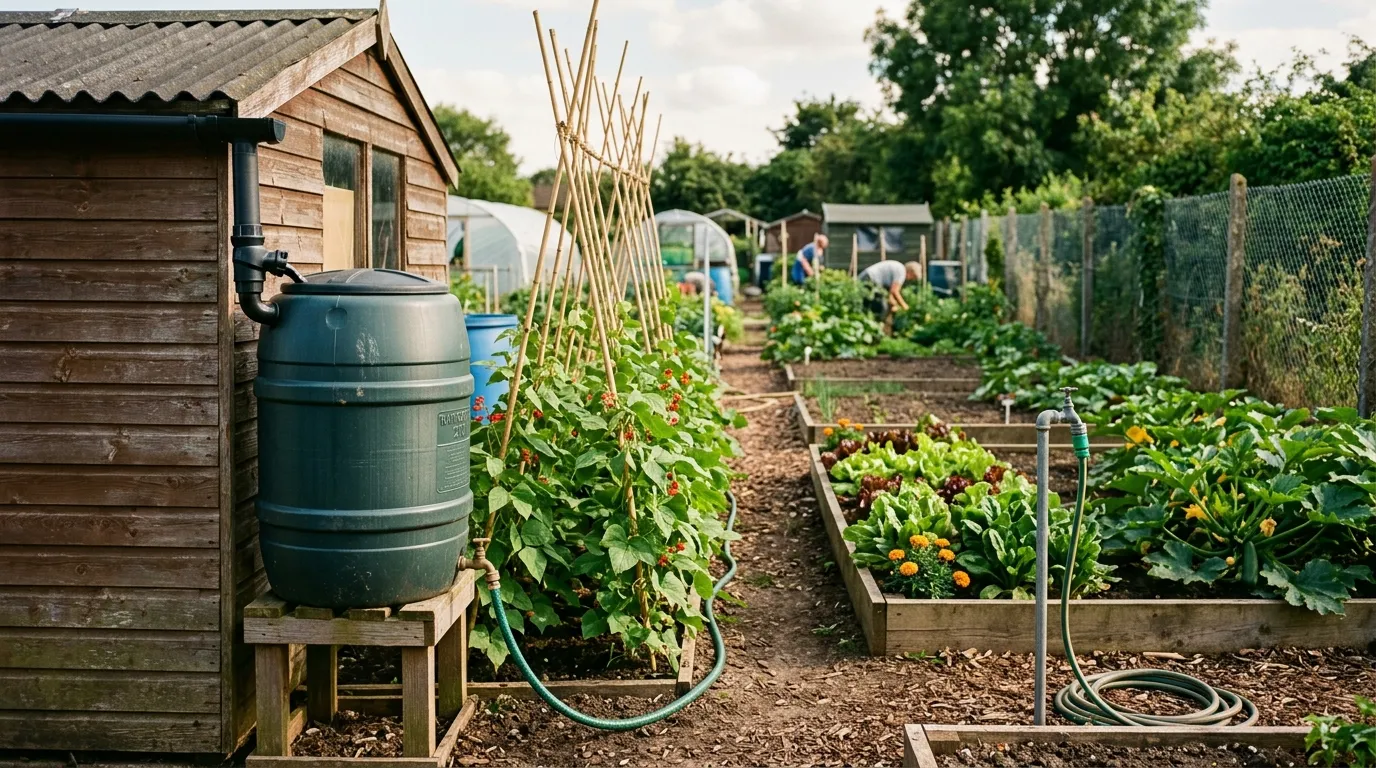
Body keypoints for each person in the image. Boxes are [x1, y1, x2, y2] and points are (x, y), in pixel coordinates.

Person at [859, 260, 923, 326]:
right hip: (870, 279)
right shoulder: (901, 272)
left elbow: (890, 292)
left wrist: (893, 303)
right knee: (881, 308)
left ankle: (873, 327)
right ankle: (876, 328)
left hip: (867, 277)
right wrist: (905, 306)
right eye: (913, 277)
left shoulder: (898, 267)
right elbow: (894, 291)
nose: (911, 279)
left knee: (869, 306)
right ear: (910, 272)